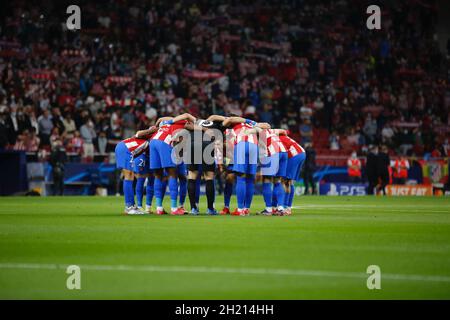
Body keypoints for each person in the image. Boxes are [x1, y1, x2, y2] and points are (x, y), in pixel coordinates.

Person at [222, 116, 270, 216]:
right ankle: (246, 208)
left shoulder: (231, 127)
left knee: (240, 178)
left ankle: (239, 209)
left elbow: (226, 121)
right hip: (254, 146)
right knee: (249, 179)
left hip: (241, 145)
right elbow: (267, 126)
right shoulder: (251, 124)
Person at [149, 113, 196, 215]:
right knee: (172, 174)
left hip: (153, 141)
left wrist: (156, 124)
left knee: (158, 175)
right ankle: (174, 208)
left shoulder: (166, 122)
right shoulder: (185, 123)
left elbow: (161, 118)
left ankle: (159, 208)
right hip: (165, 143)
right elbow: (187, 116)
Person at [114, 126, 157, 215]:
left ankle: (132, 206)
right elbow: (138, 133)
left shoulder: (146, 142)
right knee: (129, 176)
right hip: (125, 149)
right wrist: (150, 130)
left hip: (125, 149)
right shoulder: (144, 138)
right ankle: (129, 206)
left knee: (130, 176)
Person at [279, 132, 306, 215]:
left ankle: (285, 207)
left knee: (285, 181)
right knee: (290, 182)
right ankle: (288, 207)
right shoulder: (283, 136)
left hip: (294, 155)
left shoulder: (275, 139)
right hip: (302, 153)